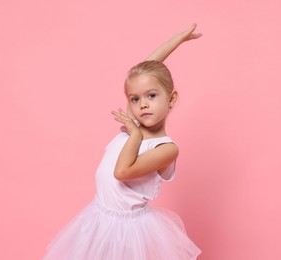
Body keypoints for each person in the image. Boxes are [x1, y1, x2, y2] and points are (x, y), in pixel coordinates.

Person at [43, 24, 202, 260]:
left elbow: (122, 171)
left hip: (129, 231)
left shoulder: (165, 148)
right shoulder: (134, 121)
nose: (143, 104)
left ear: (172, 98)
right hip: (99, 218)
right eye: (135, 99)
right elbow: (140, 73)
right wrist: (174, 42)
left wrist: (135, 135)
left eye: (152, 95)